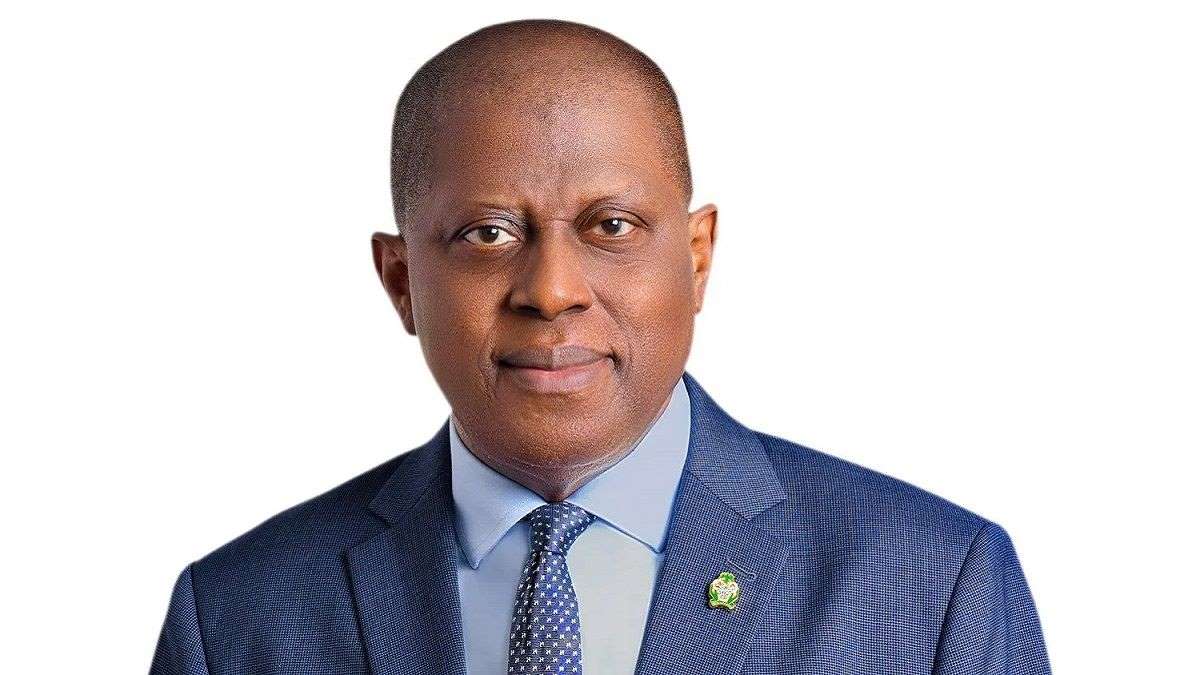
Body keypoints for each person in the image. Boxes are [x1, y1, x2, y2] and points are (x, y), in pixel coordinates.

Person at [150, 18, 1051, 675]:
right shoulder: (237, 618)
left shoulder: (932, 587)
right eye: (487, 234)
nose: (551, 290)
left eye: (611, 225)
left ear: (696, 257)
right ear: (400, 281)